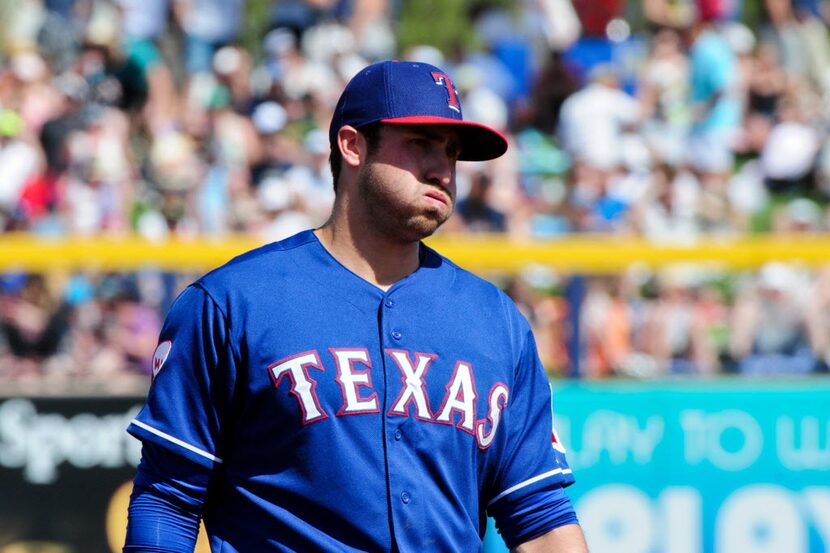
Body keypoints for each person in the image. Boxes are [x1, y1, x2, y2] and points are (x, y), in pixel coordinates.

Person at [123, 60, 588, 553]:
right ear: (352, 146)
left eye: (451, 153)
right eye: (420, 144)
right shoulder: (232, 303)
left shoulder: (495, 321)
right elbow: (167, 499)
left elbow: (539, 519)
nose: (443, 170)